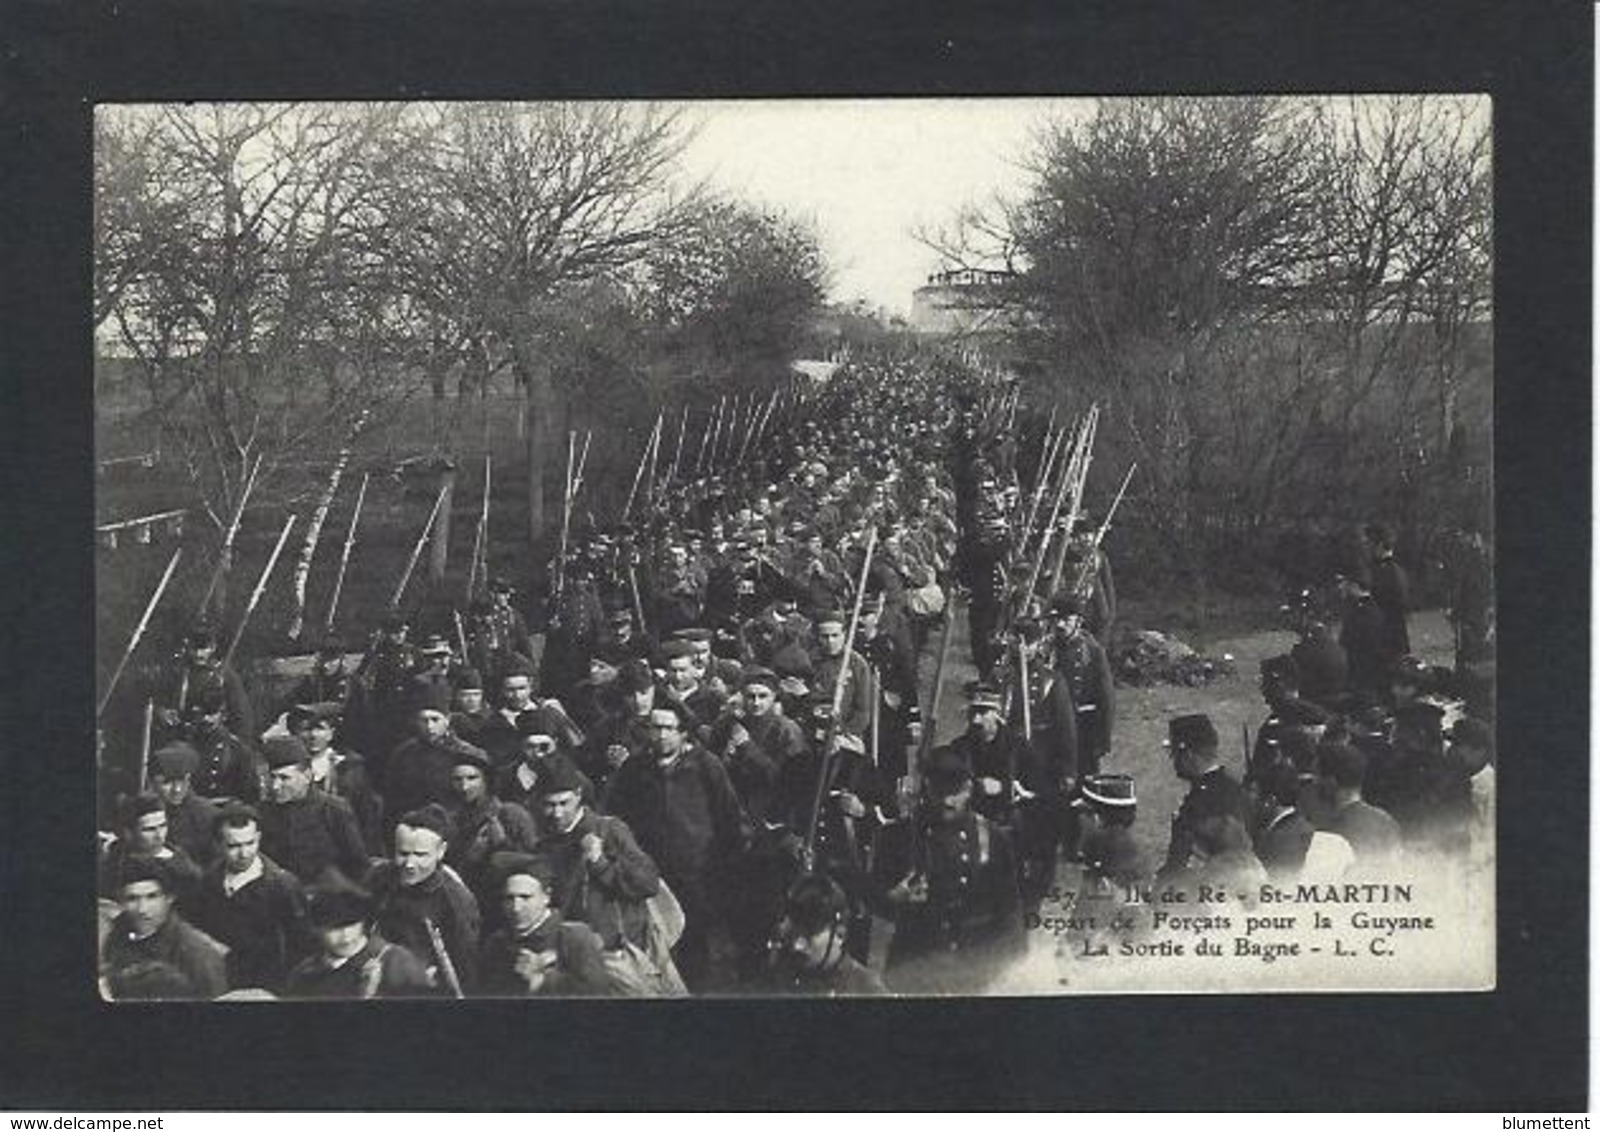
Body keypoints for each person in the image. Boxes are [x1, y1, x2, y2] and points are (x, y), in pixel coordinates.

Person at [602, 700, 747, 990]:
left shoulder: (706, 766)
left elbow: (730, 819)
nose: (661, 735)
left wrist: (722, 869)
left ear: (684, 734)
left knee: (695, 949)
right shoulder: (634, 769)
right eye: (656, 728)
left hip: (696, 875)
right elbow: (615, 816)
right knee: (655, 948)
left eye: (669, 728)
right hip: (650, 877)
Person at [879, 745, 1025, 993]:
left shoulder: (993, 837)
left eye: (954, 791)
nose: (946, 800)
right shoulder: (900, 836)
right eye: (939, 790)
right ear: (927, 786)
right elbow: (873, 900)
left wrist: (1010, 970)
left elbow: (1010, 911)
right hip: (916, 967)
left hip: (974, 969)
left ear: (968, 789)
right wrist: (894, 898)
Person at [188, 802, 307, 992]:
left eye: (250, 843)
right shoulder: (209, 878)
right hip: (219, 980)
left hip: (265, 986)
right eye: (233, 846)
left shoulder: (282, 885)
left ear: (259, 837)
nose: (244, 854)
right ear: (218, 844)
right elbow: (194, 923)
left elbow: (301, 948)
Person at [365, 805, 482, 994]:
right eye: (403, 854)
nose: (410, 864)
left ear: (441, 851)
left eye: (420, 855)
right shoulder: (378, 878)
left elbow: (465, 969)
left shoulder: (456, 900)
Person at [478, 853, 613, 996]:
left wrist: (543, 981)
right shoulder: (497, 943)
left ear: (546, 897)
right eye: (509, 898)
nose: (516, 907)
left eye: (525, 897)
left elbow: (597, 994)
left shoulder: (574, 938)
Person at [283, 877, 434, 999]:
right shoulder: (304, 975)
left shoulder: (396, 962)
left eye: (352, 925)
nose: (346, 937)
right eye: (334, 929)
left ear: (363, 922)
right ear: (316, 929)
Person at [101, 856, 228, 1000]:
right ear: (121, 900)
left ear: (169, 898)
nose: (142, 909)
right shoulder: (117, 935)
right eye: (132, 898)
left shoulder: (196, 954)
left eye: (152, 896)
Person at [258, 735, 371, 886]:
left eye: (284, 778)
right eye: (272, 777)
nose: (275, 786)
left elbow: (359, 867)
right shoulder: (262, 812)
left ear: (307, 776)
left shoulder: (334, 810)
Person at [1157, 714, 1250, 883]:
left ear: (1189, 755)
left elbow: (1180, 866)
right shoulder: (1234, 787)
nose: (1173, 761)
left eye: (1175, 754)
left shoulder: (1200, 803)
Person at [444, 745, 539, 906]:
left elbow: (535, 864)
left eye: (472, 778)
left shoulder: (512, 814)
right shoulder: (451, 820)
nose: (464, 786)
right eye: (457, 779)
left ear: (486, 780)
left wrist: (501, 844)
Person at [288, 701, 384, 857]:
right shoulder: (288, 769)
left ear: (331, 733)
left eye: (320, 728)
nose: (313, 735)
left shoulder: (350, 769)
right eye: (306, 729)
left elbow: (366, 818)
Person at [767, 873, 888, 996]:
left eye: (809, 934)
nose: (796, 945)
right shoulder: (782, 982)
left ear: (840, 933)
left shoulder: (868, 991)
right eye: (791, 935)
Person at [98, 792, 203, 910]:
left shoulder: (182, 860)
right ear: (129, 832)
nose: (159, 835)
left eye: (163, 826)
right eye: (149, 829)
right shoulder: (115, 863)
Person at [1312, 740, 1402, 872]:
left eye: (1317, 775)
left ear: (1332, 782)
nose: (1314, 782)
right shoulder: (1387, 821)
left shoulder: (1329, 830)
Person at [147, 742, 220, 867]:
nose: (177, 789)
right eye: (167, 782)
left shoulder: (206, 815)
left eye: (183, 780)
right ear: (151, 782)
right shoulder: (142, 811)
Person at [1072, 773, 1148, 891]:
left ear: (1098, 819)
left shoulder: (1109, 868)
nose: (1079, 819)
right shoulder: (1119, 846)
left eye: (1084, 813)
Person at [1366, 522, 1412, 665]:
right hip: (1397, 639)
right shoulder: (1399, 571)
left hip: (1385, 642)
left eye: (1369, 543)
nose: (1367, 547)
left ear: (1379, 545)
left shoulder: (1379, 573)